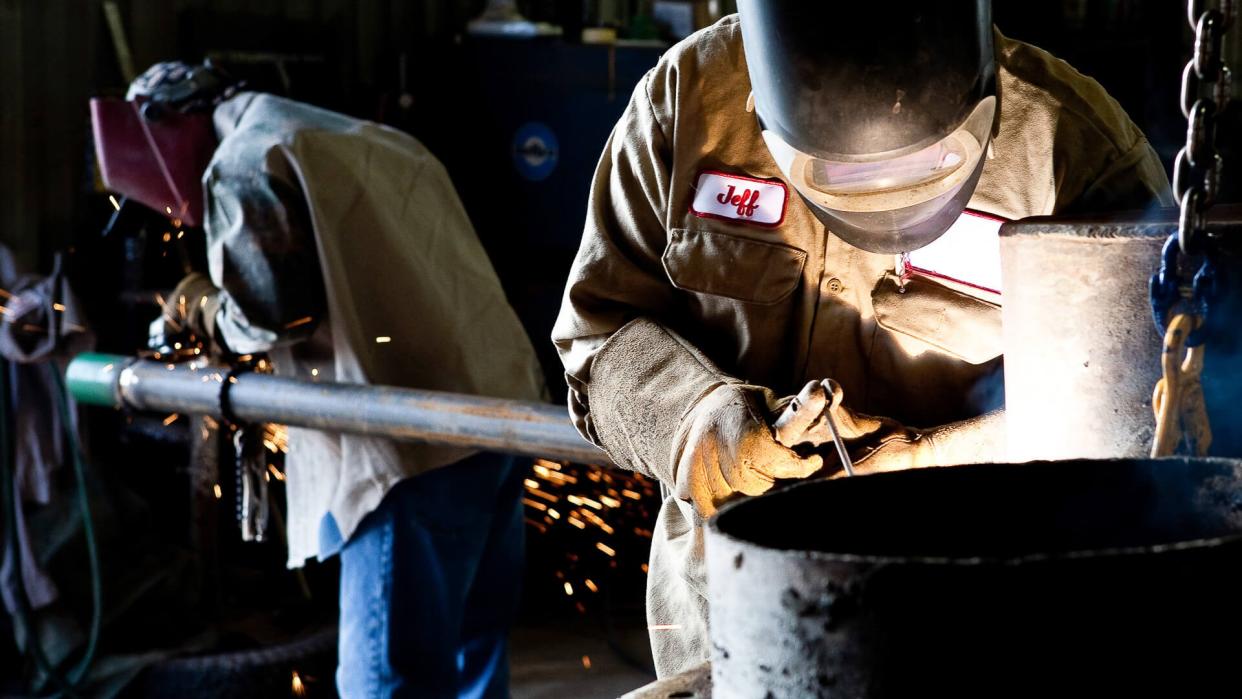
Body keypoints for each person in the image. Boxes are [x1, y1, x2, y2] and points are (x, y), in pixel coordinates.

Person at [552, 1, 1172, 678]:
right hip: (728, 626)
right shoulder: (689, 101)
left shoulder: (1073, 149)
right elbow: (598, 335)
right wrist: (698, 420)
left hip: (975, 626)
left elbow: (1157, 412)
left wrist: (936, 461)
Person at [92, 61, 547, 698]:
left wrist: (199, 304)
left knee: (385, 681)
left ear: (172, 122)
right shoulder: (361, 137)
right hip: (497, 414)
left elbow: (266, 317)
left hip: (404, 445)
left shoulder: (248, 156)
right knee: (473, 655)